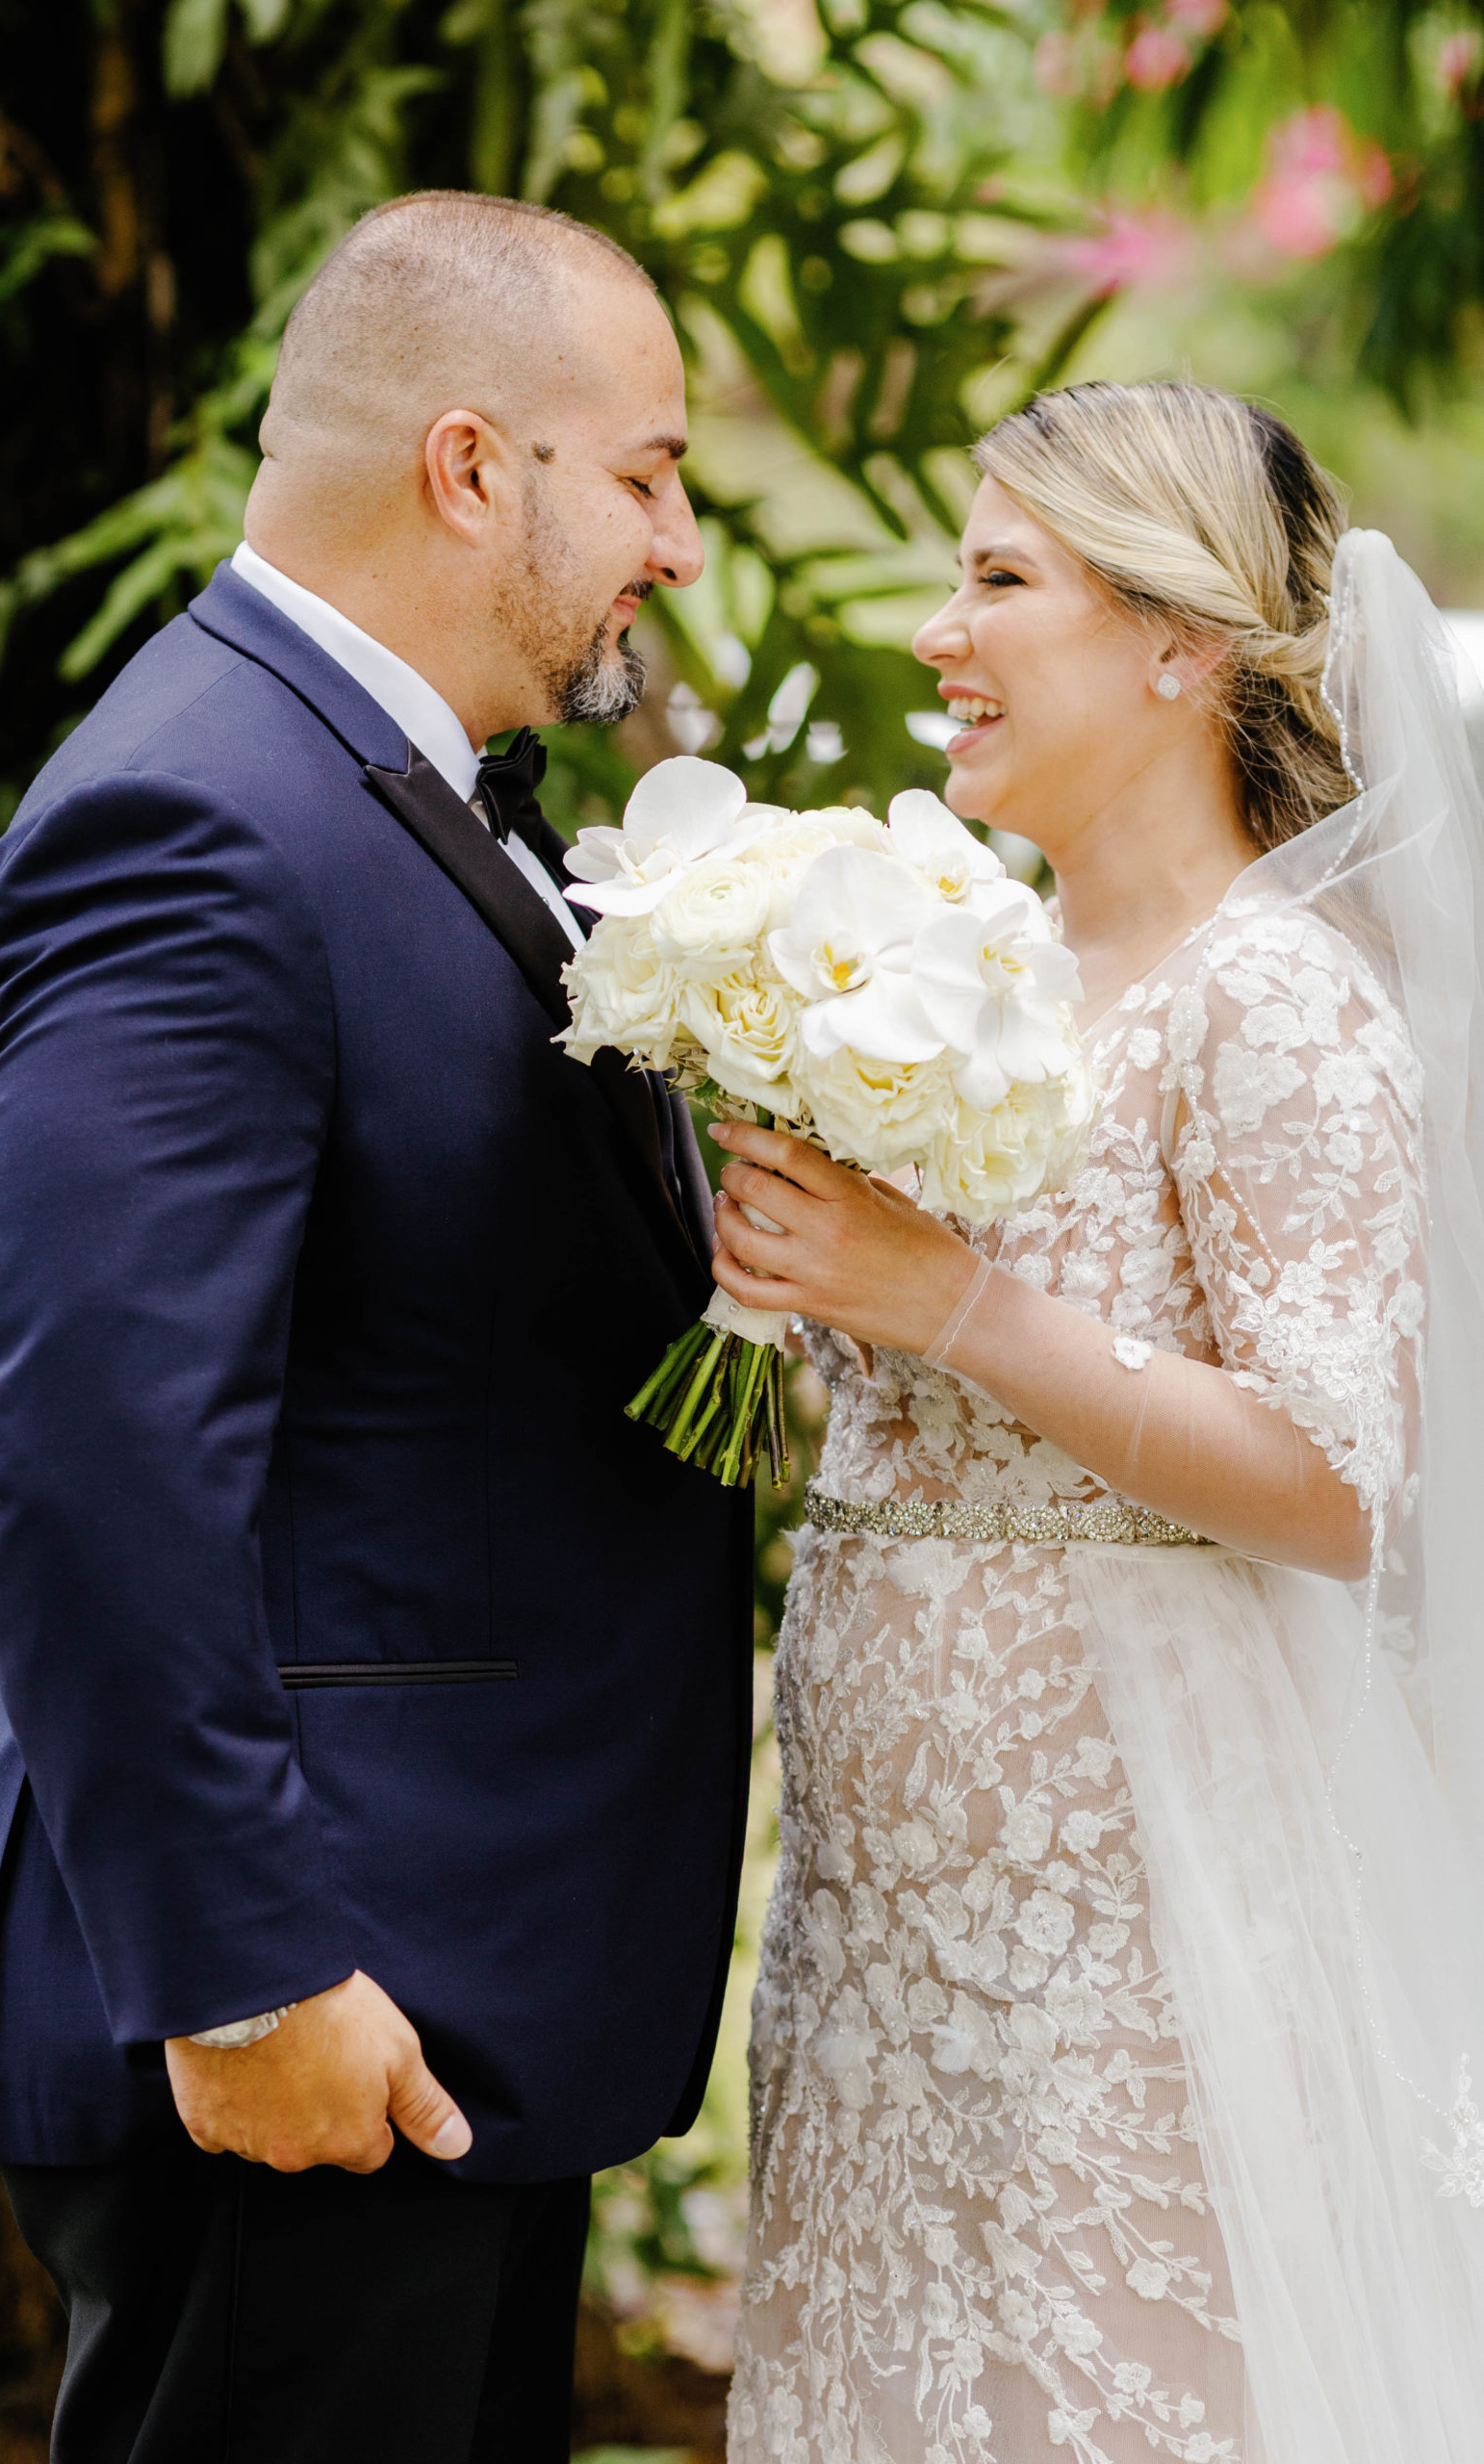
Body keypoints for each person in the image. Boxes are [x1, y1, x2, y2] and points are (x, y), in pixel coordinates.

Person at [0, 191, 753, 2464]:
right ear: (475, 467)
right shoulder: (196, 815)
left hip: (445, 1985)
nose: (677, 543)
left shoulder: (399, 790)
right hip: (306, 2012)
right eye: (651, 471)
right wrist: (248, 1971)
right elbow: (100, 1450)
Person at [715, 380, 1484, 2463]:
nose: (936, 633)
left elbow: (1336, 1482)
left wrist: (946, 1297)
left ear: (1179, 640)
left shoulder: (1277, 996)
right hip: (891, 1944)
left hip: (1137, 1919)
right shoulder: (975, 970)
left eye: (997, 580)